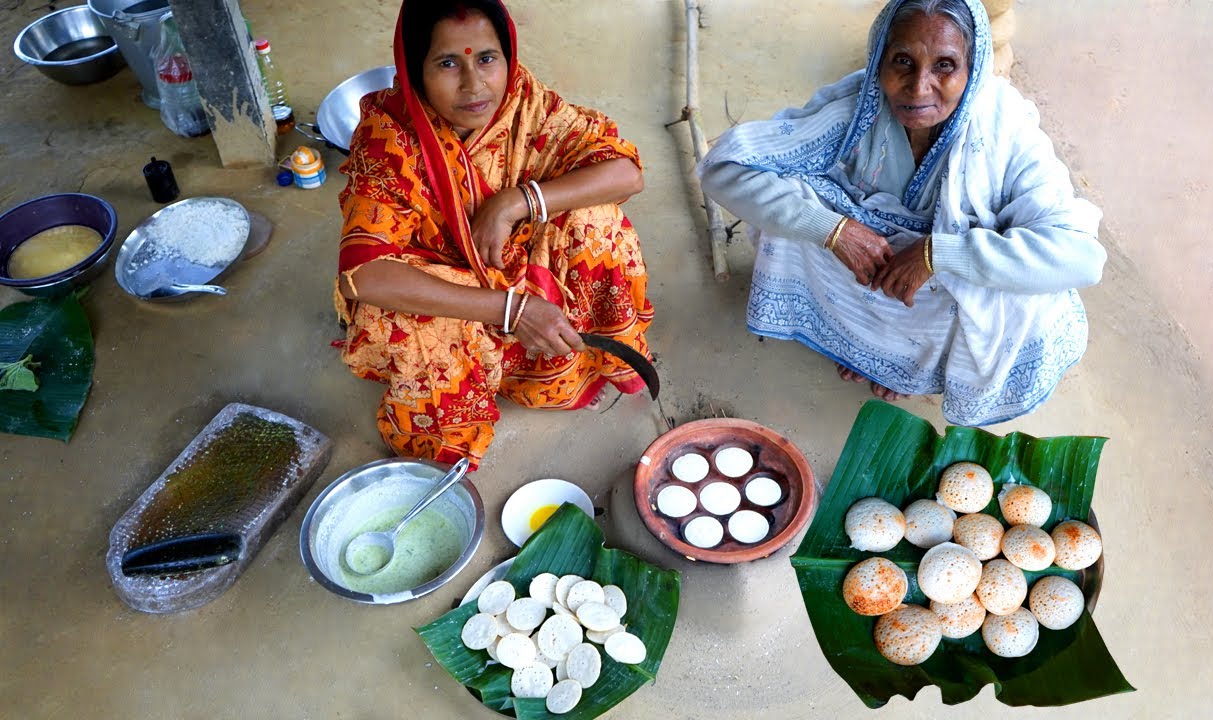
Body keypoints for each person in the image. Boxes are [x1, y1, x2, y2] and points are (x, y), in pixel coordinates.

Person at [698, 0, 1105, 426]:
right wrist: (833, 231)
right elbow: (723, 168)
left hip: (935, 298)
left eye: (945, 65)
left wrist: (938, 255)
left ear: (973, 67)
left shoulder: (1006, 131)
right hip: (870, 280)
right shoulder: (857, 110)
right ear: (879, 61)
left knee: (1013, 283)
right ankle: (864, 346)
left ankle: (917, 364)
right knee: (794, 203)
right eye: (903, 61)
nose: (918, 88)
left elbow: (1080, 256)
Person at [335, 0, 653, 467]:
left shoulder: (524, 103)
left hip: (510, 254)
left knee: (596, 223)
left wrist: (518, 201)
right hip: (442, 285)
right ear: (415, 69)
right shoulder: (389, 138)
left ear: (507, 56)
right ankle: (451, 424)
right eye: (447, 63)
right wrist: (512, 308)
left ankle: (555, 371)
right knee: (408, 323)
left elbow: (625, 173)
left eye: (486, 58)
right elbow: (364, 275)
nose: (474, 84)